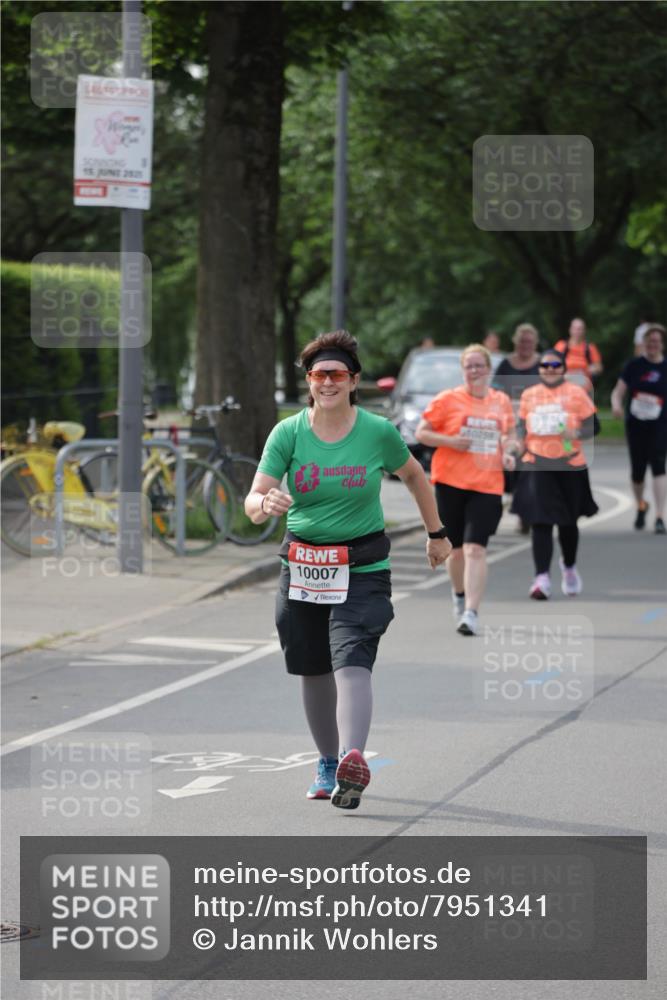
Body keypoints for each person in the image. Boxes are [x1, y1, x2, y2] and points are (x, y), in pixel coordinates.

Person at [245, 330, 451, 810]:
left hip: (362, 566)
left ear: (354, 381)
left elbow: (415, 475)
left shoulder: (376, 432)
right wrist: (265, 501)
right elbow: (254, 500)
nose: (327, 383)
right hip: (302, 566)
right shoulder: (288, 433)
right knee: (313, 668)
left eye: (336, 374)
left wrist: (436, 533)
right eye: (318, 375)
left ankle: (353, 756)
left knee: (352, 657)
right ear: (310, 382)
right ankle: (327, 760)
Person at [415, 344, 516, 636]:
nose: (474, 371)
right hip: (450, 482)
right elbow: (422, 432)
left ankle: (471, 612)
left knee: (475, 549)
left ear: (488, 369)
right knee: (456, 552)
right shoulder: (447, 399)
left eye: (479, 366)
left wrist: (509, 451)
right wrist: (450, 441)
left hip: (487, 484)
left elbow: (510, 435)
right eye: (469, 366)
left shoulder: (500, 402)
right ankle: (458, 595)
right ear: (463, 371)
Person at [511, 349, 599, 599]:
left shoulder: (575, 392)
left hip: (570, 465)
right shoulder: (529, 395)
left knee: (568, 523)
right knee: (540, 522)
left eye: (555, 364)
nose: (550, 369)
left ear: (563, 368)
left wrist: (577, 434)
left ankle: (569, 567)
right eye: (545, 365)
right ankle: (542, 579)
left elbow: (595, 425)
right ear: (539, 369)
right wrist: (516, 445)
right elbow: (520, 427)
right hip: (537, 464)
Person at [611, 324, 667, 533]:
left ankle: (660, 516)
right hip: (635, 424)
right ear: (644, 344)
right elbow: (618, 391)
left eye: (656, 341)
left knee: (659, 465)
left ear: (661, 344)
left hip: (660, 424)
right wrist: (616, 406)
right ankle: (641, 505)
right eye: (649, 341)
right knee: (638, 471)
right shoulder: (634, 366)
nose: (652, 345)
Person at [493, 323, 543, 533]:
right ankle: (520, 506)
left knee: (529, 468)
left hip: (537, 423)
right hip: (511, 422)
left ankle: (526, 514)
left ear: (535, 343)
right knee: (512, 468)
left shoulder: (542, 364)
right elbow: (494, 390)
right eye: (522, 341)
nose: (525, 345)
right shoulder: (506, 364)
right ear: (515, 342)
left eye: (529, 342)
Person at [554, 317, 603, 385]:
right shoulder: (561, 345)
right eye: (575, 329)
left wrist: (586, 370)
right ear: (570, 330)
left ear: (584, 331)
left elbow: (599, 368)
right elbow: (552, 364)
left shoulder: (590, 348)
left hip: (583, 382)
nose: (577, 331)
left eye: (580, 329)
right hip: (564, 382)